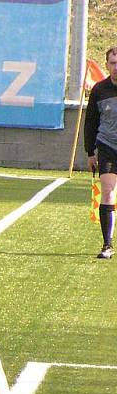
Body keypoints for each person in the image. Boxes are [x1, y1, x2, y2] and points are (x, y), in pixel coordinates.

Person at [84, 46, 117, 259]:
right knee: (107, 192)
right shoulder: (99, 90)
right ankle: (107, 245)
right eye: (113, 63)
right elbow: (91, 123)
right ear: (106, 65)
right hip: (107, 147)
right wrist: (90, 152)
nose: (116, 67)